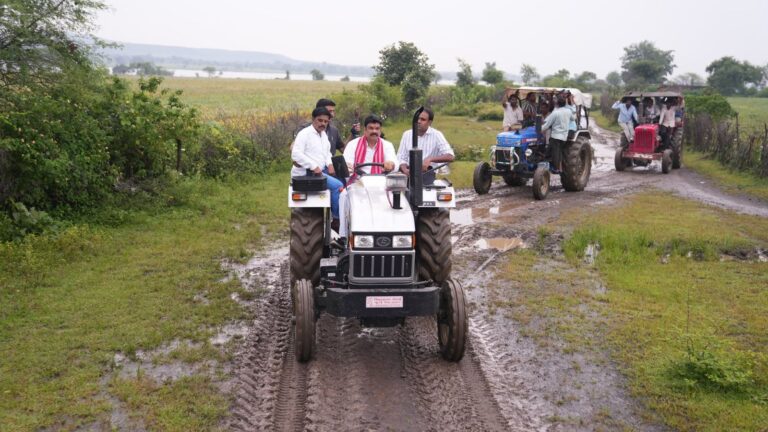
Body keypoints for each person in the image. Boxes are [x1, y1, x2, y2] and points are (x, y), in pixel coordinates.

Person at [337, 115, 398, 241]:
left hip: (381, 183)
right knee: (343, 195)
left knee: (397, 198)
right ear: (365, 130)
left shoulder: (387, 145)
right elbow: (347, 162)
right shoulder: (353, 144)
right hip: (358, 182)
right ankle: (343, 236)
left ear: (380, 131)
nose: (374, 131)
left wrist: (390, 164)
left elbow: (394, 163)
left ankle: (393, 234)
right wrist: (348, 167)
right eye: (371, 128)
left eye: (377, 128)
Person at [291, 106, 343, 226]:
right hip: (308, 173)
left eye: (325, 121)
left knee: (345, 181)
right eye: (320, 120)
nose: (323, 124)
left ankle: (344, 214)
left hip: (321, 171)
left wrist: (330, 164)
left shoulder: (323, 135)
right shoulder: (305, 134)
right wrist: (313, 166)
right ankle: (337, 220)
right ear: (313, 119)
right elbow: (296, 154)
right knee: (337, 186)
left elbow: (327, 153)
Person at [397, 108, 455, 185]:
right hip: (407, 173)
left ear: (430, 122)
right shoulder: (407, 134)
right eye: (417, 119)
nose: (418, 121)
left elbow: (450, 156)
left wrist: (430, 159)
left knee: (426, 194)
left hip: (427, 173)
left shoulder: (437, 135)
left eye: (423, 119)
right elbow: (401, 157)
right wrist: (404, 170)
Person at [540, 96, 571, 172]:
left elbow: (547, 125)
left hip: (556, 136)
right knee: (556, 152)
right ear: (564, 104)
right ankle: (556, 167)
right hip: (564, 136)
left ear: (557, 104)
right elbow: (573, 118)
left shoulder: (555, 113)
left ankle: (556, 168)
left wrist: (538, 130)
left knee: (553, 152)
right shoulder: (568, 111)